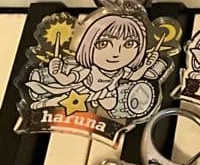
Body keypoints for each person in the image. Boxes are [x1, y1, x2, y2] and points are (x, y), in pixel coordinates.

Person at [26, 12, 167, 120]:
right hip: (81, 91)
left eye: (129, 44)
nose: (116, 53)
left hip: (106, 93)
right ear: (88, 46)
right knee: (61, 100)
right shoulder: (87, 70)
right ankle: (41, 104)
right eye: (104, 44)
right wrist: (56, 73)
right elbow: (66, 80)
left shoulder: (121, 70)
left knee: (111, 105)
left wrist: (146, 65)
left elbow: (135, 76)